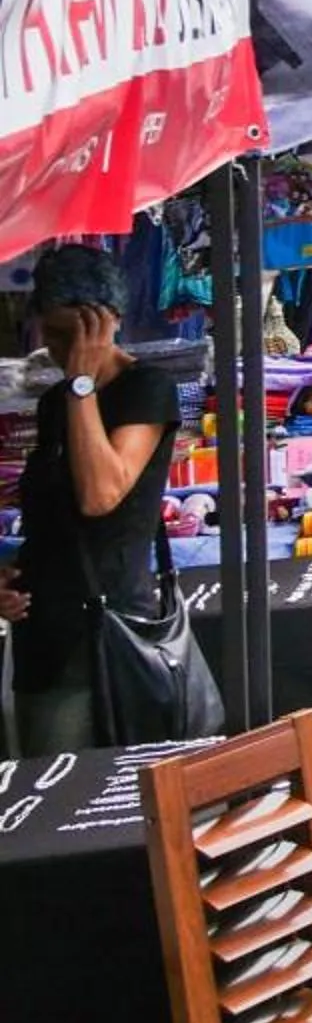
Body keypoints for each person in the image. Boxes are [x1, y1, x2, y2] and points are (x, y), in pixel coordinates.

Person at [0, 246, 181, 752]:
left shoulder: (146, 389)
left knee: (81, 782)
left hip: (105, 631)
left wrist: (83, 386)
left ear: (109, 323)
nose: (61, 349)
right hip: (43, 631)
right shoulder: (55, 403)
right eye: (52, 334)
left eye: (73, 334)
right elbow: (51, 519)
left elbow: (101, 494)